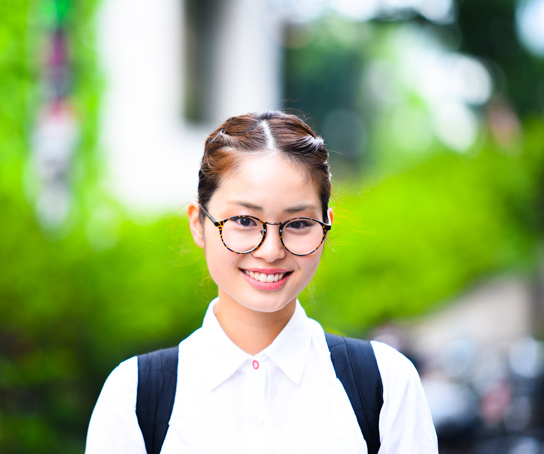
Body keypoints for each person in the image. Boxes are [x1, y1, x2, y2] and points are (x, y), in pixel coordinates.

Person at [85, 111, 438, 453]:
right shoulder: (133, 395)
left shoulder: (385, 384)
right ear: (198, 223)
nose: (270, 251)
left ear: (326, 226)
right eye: (244, 220)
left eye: (299, 223)